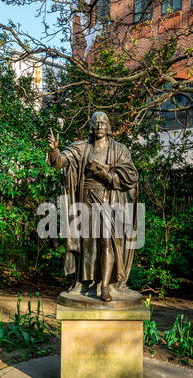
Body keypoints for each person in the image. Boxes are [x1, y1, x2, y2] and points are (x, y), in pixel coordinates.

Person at [47, 112, 139, 302]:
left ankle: (104, 286)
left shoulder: (119, 149)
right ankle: (86, 282)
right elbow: (62, 161)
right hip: (86, 200)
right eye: (95, 123)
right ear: (91, 126)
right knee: (87, 244)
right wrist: (54, 151)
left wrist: (108, 176)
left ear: (108, 127)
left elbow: (131, 174)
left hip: (108, 199)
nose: (99, 127)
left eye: (103, 123)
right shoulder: (82, 148)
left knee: (107, 241)